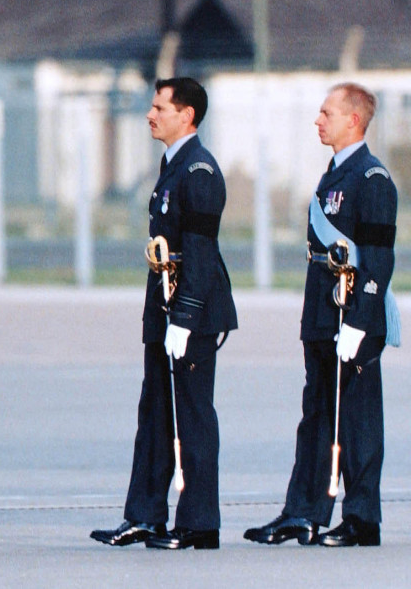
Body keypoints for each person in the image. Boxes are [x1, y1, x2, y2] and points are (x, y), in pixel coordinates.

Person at [244, 82, 398, 548]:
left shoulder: (371, 179)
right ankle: (304, 512)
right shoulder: (333, 175)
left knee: (357, 417)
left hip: (353, 310)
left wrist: (361, 320)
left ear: (353, 120)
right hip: (323, 306)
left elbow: (379, 257)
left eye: (327, 113)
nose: (317, 120)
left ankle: (361, 518)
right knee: (316, 414)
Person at [91, 77, 237, 551]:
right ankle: (146, 515)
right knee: (155, 412)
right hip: (164, 303)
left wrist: (186, 318)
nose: (150, 114)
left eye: (160, 107)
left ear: (187, 115)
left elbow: (198, 251)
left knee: (193, 416)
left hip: (191, 310)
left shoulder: (199, 171)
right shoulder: (173, 164)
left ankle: (199, 523)